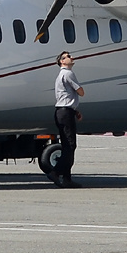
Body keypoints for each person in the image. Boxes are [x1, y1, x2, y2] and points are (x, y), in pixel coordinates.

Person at [52, 51, 84, 187]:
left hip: (63, 111)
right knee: (70, 145)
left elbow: (65, 96)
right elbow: (81, 92)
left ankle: (66, 178)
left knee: (67, 146)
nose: (71, 57)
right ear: (62, 62)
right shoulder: (68, 73)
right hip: (65, 113)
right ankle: (56, 172)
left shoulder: (61, 75)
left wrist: (74, 110)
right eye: (68, 56)